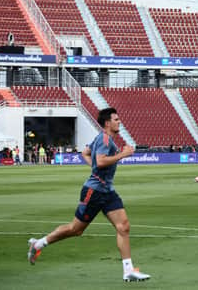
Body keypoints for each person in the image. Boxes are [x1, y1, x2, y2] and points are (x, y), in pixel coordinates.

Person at [26, 108, 150, 282]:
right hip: (94, 192)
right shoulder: (105, 139)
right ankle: (38, 243)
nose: (119, 122)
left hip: (107, 191)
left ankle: (128, 270)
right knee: (75, 229)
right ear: (108, 123)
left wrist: (96, 170)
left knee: (123, 226)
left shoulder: (102, 138)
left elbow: (85, 153)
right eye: (116, 119)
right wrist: (123, 154)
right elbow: (99, 161)